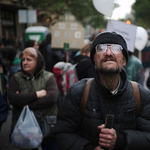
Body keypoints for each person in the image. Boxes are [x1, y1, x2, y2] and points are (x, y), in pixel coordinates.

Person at [53, 31, 150, 150]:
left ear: (124, 61)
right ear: (94, 60)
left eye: (116, 48)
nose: (108, 53)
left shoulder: (141, 95)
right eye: (101, 48)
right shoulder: (78, 93)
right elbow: (63, 133)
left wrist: (120, 140)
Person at [8, 47, 59, 150]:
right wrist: (37, 94)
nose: (25, 62)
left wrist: (26, 104)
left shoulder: (48, 77)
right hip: (25, 130)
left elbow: (52, 97)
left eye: (29, 60)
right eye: (23, 60)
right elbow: (13, 98)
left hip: (48, 127)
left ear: (38, 61)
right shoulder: (16, 78)